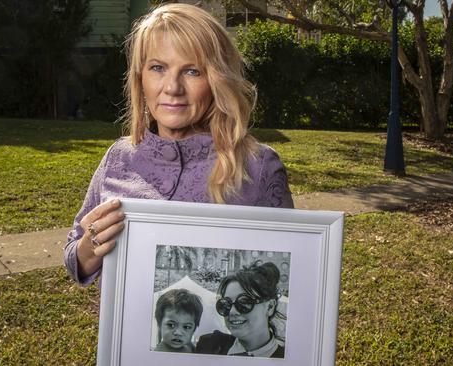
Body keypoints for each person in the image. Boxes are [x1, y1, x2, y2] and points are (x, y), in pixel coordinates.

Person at [64, 3, 293, 286]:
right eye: (158, 68)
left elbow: (286, 280)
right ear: (140, 79)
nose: (172, 87)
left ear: (216, 80)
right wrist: (89, 248)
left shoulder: (258, 168)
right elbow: (77, 257)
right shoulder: (118, 158)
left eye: (192, 71)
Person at [195, 262, 285, 358]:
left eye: (244, 303)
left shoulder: (290, 359)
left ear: (270, 307)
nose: (232, 312)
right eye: (225, 304)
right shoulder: (208, 346)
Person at [153, 289, 204, 353]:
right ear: (159, 324)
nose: (178, 333)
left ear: (194, 329)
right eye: (171, 325)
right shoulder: (159, 353)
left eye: (186, 327)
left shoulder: (189, 346)